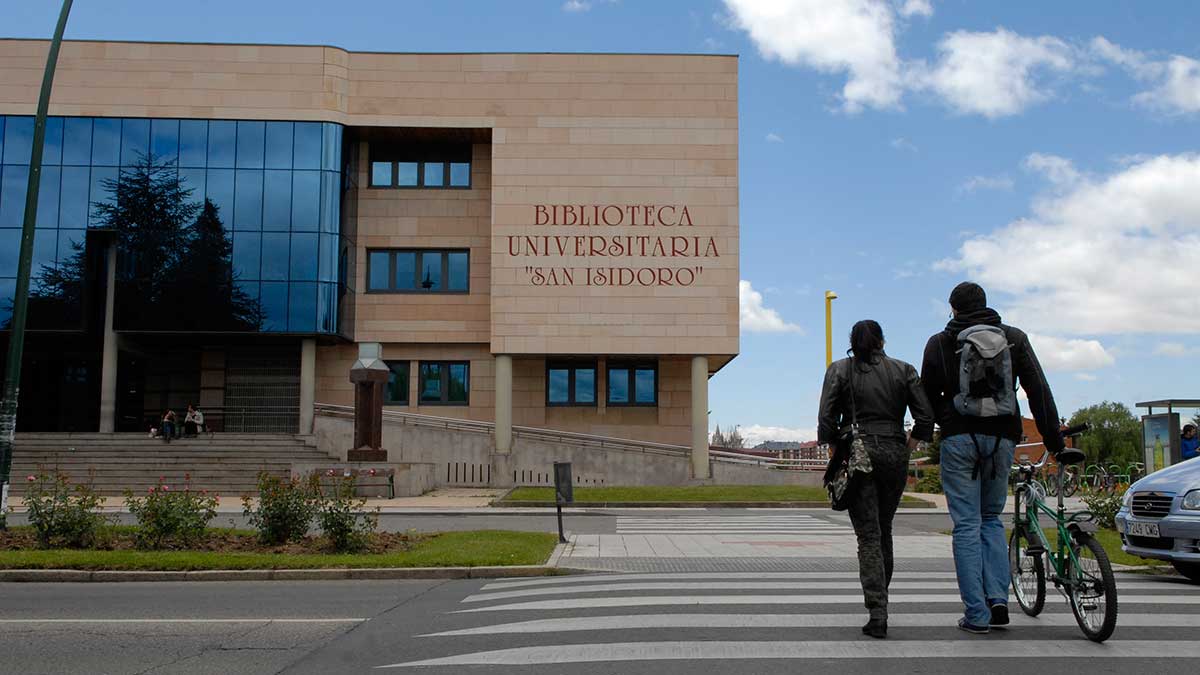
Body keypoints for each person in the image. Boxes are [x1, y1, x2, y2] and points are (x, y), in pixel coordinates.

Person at [921, 282, 1065, 635]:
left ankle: (976, 614)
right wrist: (1053, 439)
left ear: (952, 308)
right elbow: (1037, 389)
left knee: (967, 524)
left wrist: (941, 422)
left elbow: (925, 395)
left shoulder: (940, 342)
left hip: (958, 440)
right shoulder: (1014, 338)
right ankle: (999, 601)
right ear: (986, 305)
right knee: (991, 520)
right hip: (1003, 438)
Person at [819, 319, 935, 639]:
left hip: (859, 455)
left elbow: (826, 416)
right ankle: (881, 601)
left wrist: (834, 449)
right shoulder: (904, 370)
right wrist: (909, 444)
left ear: (852, 341)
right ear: (882, 341)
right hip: (894, 453)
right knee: (884, 530)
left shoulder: (840, 369)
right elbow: (925, 415)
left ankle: (878, 611)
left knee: (868, 535)